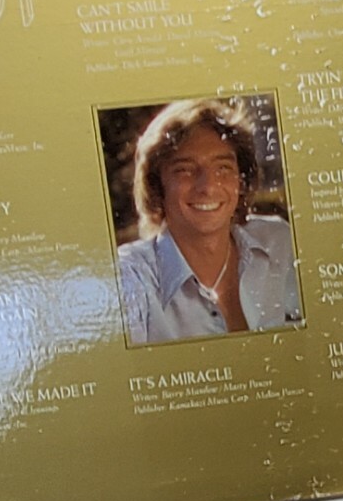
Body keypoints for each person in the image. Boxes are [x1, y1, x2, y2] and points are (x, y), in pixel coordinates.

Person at [117, 98, 304, 344]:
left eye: (223, 168)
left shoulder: (278, 240)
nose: (208, 187)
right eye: (185, 169)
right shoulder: (129, 277)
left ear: (241, 180)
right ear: (157, 185)